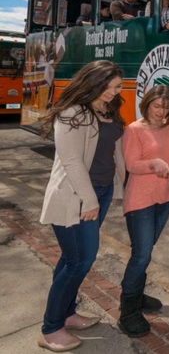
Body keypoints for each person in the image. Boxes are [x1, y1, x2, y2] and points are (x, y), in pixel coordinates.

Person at [37, 60, 125, 352]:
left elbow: (114, 150)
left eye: (117, 87)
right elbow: (72, 161)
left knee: (70, 259)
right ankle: (51, 329)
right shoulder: (73, 113)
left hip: (98, 192)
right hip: (74, 197)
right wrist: (89, 200)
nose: (114, 92)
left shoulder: (106, 110)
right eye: (110, 86)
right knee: (80, 261)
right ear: (94, 82)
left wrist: (118, 186)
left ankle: (67, 313)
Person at [117, 86, 169, 338]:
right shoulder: (134, 129)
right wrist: (154, 164)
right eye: (157, 106)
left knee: (146, 251)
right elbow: (132, 165)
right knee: (141, 255)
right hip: (141, 200)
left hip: (165, 196)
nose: (161, 112)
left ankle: (137, 294)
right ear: (147, 105)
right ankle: (128, 310)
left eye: (166, 108)